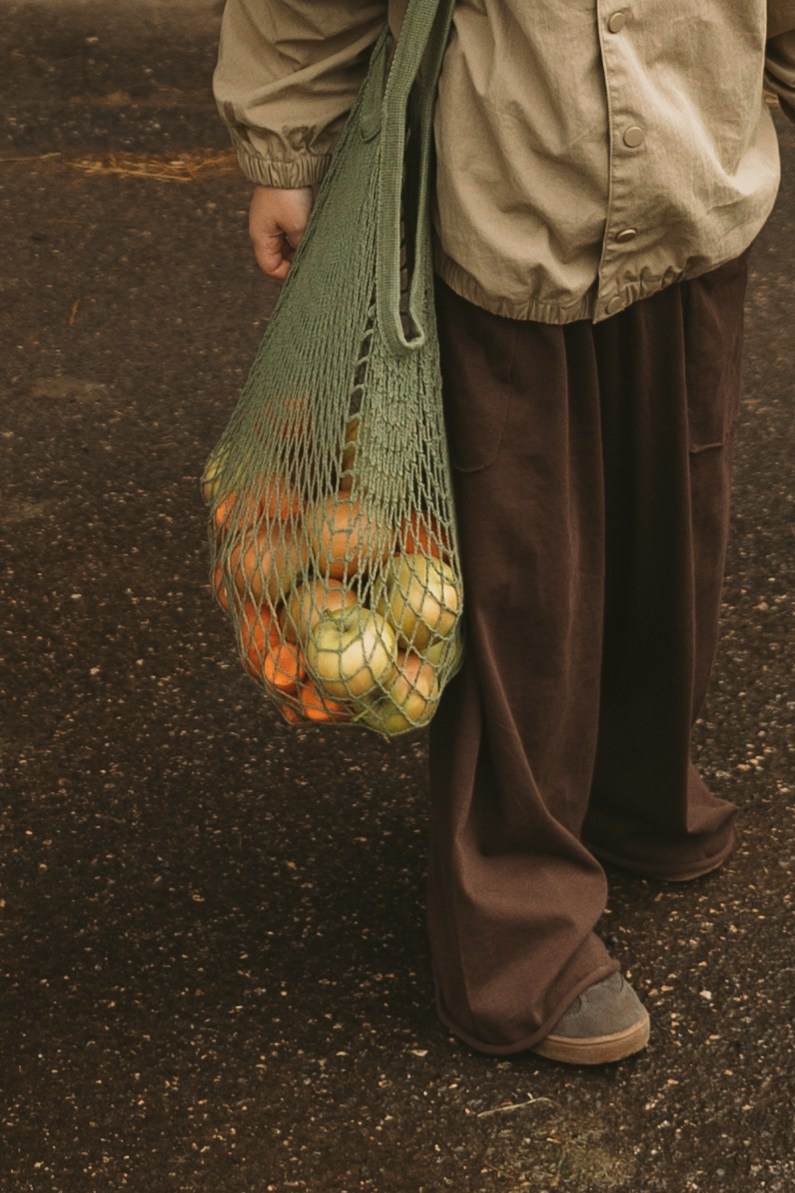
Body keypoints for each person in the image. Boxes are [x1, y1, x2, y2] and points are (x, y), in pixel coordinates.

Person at [213, 1, 795, 1064]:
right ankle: (517, 929)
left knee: (674, 524)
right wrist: (285, 146)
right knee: (523, 573)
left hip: (690, 173)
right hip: (505, 197)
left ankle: (636, 792)